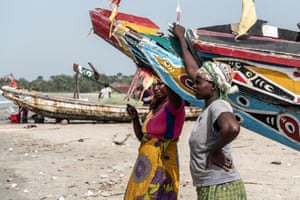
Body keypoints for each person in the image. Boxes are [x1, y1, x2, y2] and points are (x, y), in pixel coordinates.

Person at [171, 24, 247, 199]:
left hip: (221, 188)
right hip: (212, 186)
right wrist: (182, 39)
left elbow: (232, 127)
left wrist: (214, 150)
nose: (194, 86)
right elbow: (193, 71)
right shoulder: (209, 106)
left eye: (199, 83)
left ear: (213, 86)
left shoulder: (218, 106)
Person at [125, 78, 185, 199]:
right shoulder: (155, 108)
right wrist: (135, 119)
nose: (156, 88)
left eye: (161, 84)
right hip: (145, 163)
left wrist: (164, 71)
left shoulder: (175, 106)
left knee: (156, 194)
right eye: (154, 85)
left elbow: (173, 84)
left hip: (162, 163)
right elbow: (143, 138)